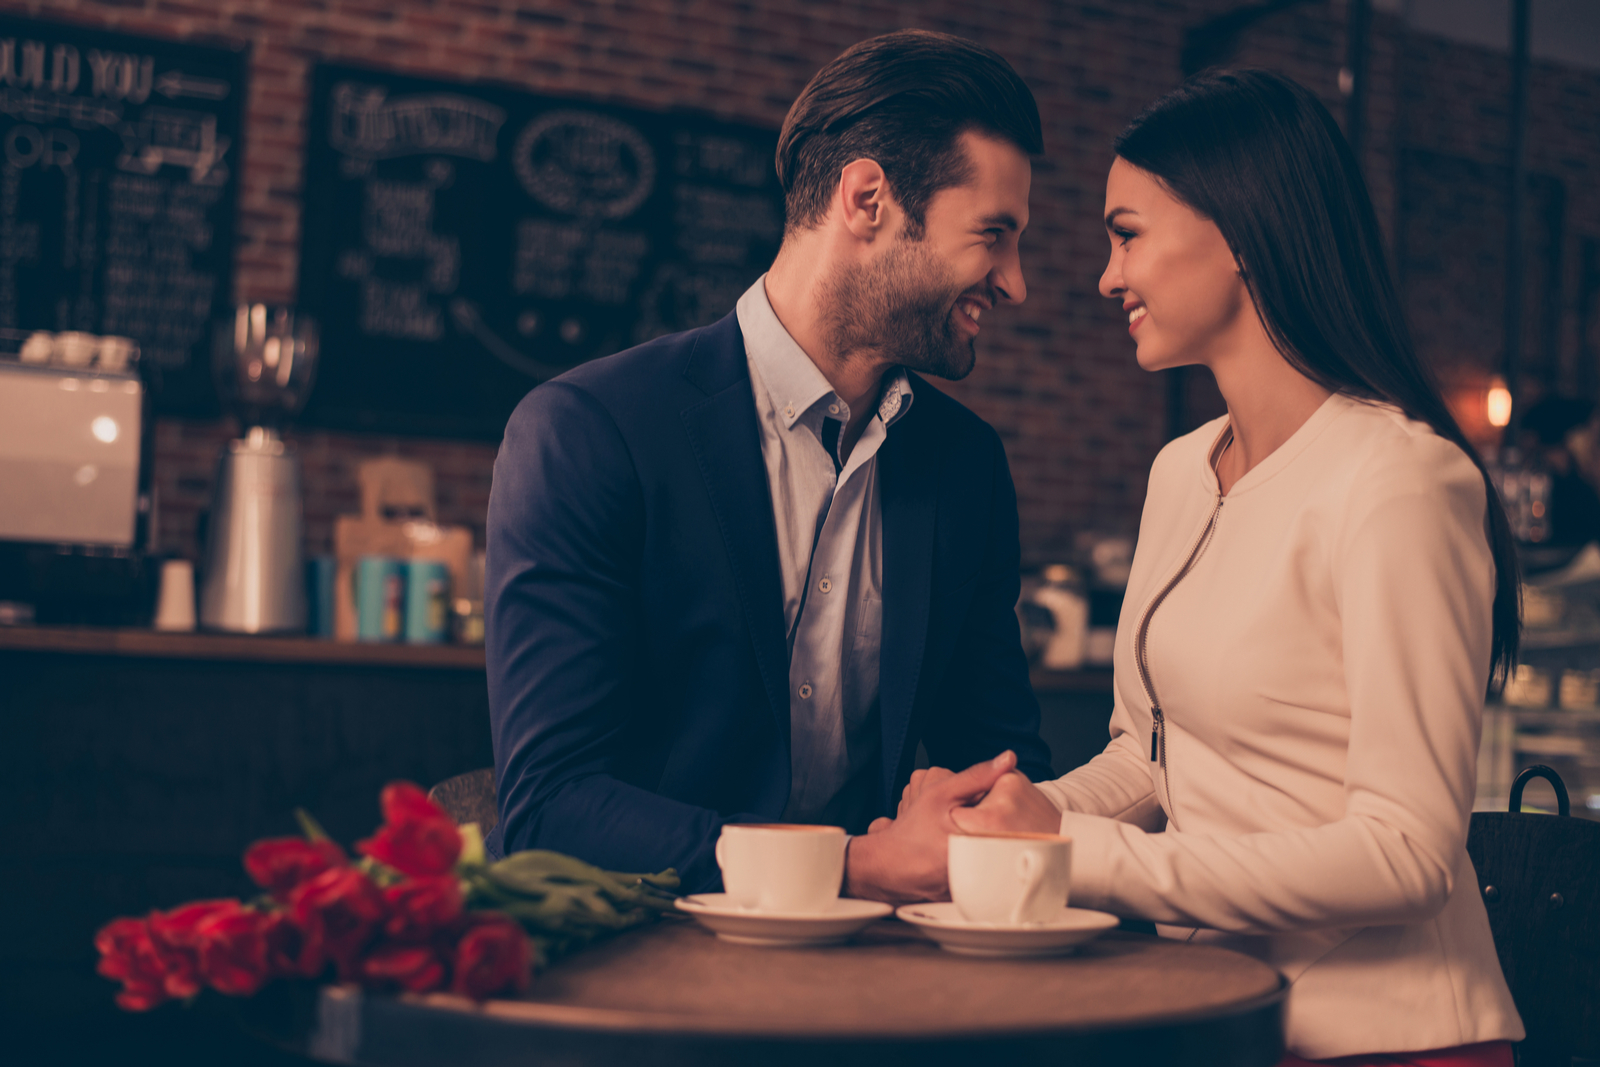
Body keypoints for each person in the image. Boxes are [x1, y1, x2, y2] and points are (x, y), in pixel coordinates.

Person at [875, 70, 1526, 1064]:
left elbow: (1407, 856)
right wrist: (1010, 814)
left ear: (1242, 237)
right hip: (1217, 1014)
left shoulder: (1400, 480)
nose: (1104, 275)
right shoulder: (1181, 471)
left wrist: (1074, 854)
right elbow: (1150, 756)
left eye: (1126, 233)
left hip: (1385, 1039)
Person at [482, 29, 1053, 900]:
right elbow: (552, 805)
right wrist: (850, 865)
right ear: (869, 200)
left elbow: (1005, 764)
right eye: (993, 235)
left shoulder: (965, 465)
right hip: (644, 956)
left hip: (874, 969)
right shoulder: (586, 431)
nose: (1014, 283)